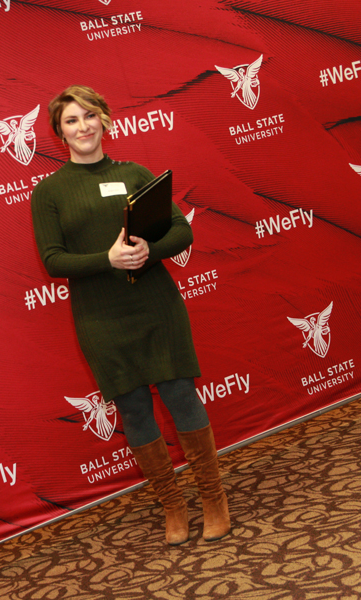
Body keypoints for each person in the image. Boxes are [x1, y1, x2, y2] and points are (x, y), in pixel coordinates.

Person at [31, 86, 230, 545]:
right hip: (101, 316)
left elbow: (181, 231)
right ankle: (174, 510)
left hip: (156, 305)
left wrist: (147, 250)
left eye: (88, 116)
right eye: (70, 121)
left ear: (103, 119)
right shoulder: (49, 192)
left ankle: (213, 500)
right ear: (59, 133)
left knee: (181, 396)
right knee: (135, 408)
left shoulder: (136, 173)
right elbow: (53, 260)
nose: (82, 127)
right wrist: (108, 258)